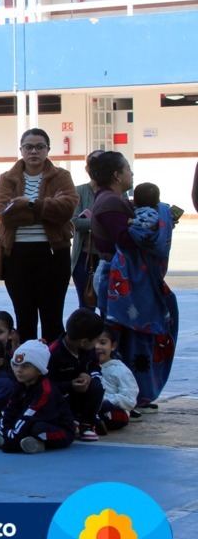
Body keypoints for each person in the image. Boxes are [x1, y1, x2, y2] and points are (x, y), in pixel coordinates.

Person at [90, 155, 177, 412]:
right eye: (127, 168)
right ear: (117, 175)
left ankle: (135, 393)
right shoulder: (111, 202)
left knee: (130, 337)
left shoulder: (114, 200)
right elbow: (126, 238)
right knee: (126, 337)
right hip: (121, 281)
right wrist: (160, 224)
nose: (131, 173)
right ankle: (127, 394)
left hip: (126, 280)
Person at [0, 129, 78, 343]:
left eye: (40, 147)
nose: (34, 151)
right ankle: (27, 363)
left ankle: (54, 363)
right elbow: (6, 214)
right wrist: (48, 209)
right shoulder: (7, 179)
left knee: (52, 320)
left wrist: (30, 203)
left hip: (53, 255)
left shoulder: (61, 176)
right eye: (28, 147)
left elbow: (67, 209)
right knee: (25, 320)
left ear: (48, 149)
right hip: (17, 256)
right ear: (21, 150)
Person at [0, 340, 76, 454]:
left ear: (39, 370)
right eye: (16, 365)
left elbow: (29, 416)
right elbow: (9, 410)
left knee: (37, 429)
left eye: (25, 366)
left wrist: (11, 438)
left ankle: (39, 444)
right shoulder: (19, 385)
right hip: (32, 422)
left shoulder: (45, 390)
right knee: (4, 422)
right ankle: (22, 440)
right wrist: (6, 431)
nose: (18, 370)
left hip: (60, 429)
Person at [47, 308, 105, 441]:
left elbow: (95, 367)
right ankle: (68, 420)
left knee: (96, 386)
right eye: (96, 340)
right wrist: (70, 385)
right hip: (60, 399)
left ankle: (87, 425)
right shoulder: (52, 354)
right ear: (84, 342)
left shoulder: (88, 350)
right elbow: (45, 386)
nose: (96, 345)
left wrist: (88, 374)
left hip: (80, 397)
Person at [71, 150, 105, 311]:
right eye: (93, 164)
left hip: (110, 257)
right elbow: (75, 222)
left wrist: (91, 222)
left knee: (109, 309)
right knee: (86, 307)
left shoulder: (118, 192)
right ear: (87, 168)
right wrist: (104, 221)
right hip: (85, 257)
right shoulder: (79, 191)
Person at [96, 327, 138, 430]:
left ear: (113, 346)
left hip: (113, 411)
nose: (97, 347)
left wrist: (103, 399)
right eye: (93, 343)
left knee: (104, 408)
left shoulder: (120, 370)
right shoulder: (85, 367)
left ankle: (93, 423)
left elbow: (130, 400)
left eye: (102, 343)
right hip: (91, 407)